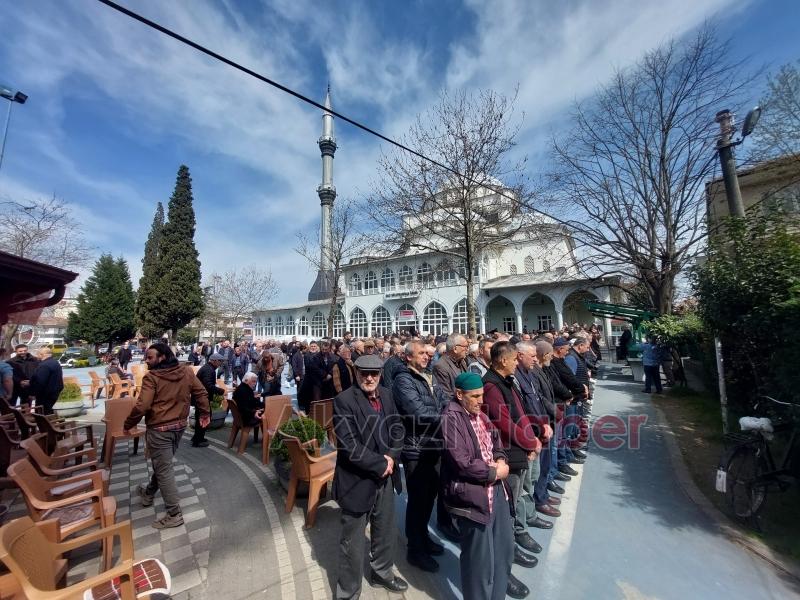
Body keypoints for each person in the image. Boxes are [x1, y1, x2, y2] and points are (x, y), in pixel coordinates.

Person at [441, 372, 528, 600]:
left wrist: (500, 458)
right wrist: (493, 471)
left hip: (496, 491)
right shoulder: (451, 419)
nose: (481, 400)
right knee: (479, 564)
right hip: (473, 498)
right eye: (475, 396)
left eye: (481, 395)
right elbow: (461, 462)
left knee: (503, 551)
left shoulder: (480, 415)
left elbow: (496, 441)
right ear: (459, 395)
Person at [333, 354, 407, 599]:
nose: (369, 377)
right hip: (357, 480)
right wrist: (381, 463)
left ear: (381, 374)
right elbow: (349, 445)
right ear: (356, 373)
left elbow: (398, 427)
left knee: (385, 532)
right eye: (364, 373)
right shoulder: (344, 400)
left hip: (385, 476)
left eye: (374, 373)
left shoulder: (387, 394)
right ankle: (348, 592)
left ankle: (381, 574)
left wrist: (392, 458)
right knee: (352, 544)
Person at [125, 343, 209, 529]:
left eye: (150, 357)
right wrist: (204, 413)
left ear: (162, 357)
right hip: (179, 427)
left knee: (163, 468)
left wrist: (128, 425)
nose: (146, 361)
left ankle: (174, 514)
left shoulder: (152, 378)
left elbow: (142, 406)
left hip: (160, 429)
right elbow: (201, 392)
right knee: (162, 464)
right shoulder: (185, 371)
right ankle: (148, 493)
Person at [482, 341, 543, 571]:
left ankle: (511, 545)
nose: (517, 363)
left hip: (519, 449)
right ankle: (506, 554)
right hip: (507, 453)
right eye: (514, 359)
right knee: (507, 506)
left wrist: (531, 438)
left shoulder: (507, 382)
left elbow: (520, 413)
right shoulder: (491, 385)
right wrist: (529, 441)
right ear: (503, 360)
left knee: (515, 502)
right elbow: (503, 422)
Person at [392, 340, 448, 571]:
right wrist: (448, 419)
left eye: (428, 353)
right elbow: (418, 413)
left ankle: (423, 537)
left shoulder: (429, 378)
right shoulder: (403, 380)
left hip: (433, 445)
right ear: (408, 357)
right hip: (416, 448)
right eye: (421, 353)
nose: (426, 357)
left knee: (429, 497)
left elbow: (445, 401)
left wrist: (446, 414)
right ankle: (414, 550)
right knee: (418, 500)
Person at [193, 353, 225, 447]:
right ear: (214, 361)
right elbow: (208, 385)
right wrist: (220, 390)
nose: (221, 363)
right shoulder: (208, 370)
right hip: (201, 398)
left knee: (202, 417)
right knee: (204, 418)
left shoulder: (208, 368)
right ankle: (198, 441)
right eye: (220, 361)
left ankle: (198, 437)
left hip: (200, 397)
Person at [432, 333, 468, 404]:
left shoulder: (462, 362)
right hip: (454, 408)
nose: (467, 349)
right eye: (465, 346)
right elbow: (446, 396)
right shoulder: (441, 366)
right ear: (455, 349)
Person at [28, 347, 63, 415]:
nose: (36, 355)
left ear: (41, 354)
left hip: (45, 394)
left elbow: (40, 382)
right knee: (48, 411)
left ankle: (45, 425)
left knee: (42, 413)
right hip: (54, 391)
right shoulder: (54, 362)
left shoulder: (44, 365)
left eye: (37, 354)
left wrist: (33, 393)